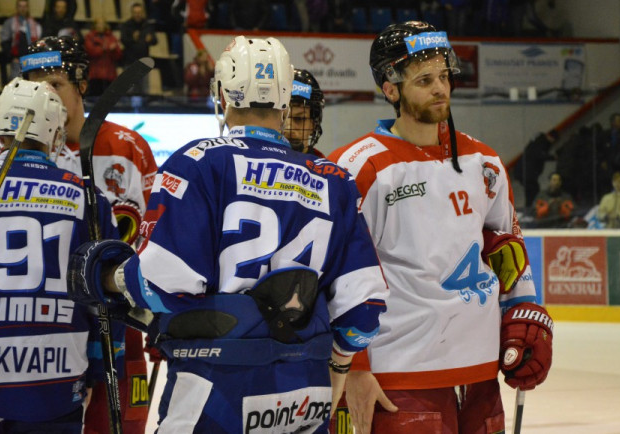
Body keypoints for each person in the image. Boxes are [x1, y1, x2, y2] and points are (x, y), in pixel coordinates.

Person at [66, 35, 389, 433]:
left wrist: (106, 277)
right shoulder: (334, 181)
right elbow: (363, 315)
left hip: (216, 391)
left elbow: (162, 282)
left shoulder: (200, 161)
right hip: (305, 398)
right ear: (286, 96)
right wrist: (337, 368)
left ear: (221, 93)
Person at [328, 21, 553, 433]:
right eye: (425, 79)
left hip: (480, 369)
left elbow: (507, 247)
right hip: (401, 373)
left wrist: (526, 310)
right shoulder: (360, 165)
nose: (440, 88)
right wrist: (355, 367)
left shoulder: (483, 162)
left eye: (444, 76)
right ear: (391, 88)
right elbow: (341, 272)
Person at [21, 34, 158, 434]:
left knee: (121, 427)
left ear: (81, 84)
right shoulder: (13, 154)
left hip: (121, 322)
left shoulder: (127, 147)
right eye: (34, 85)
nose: (44, 95)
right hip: (44, 326)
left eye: (56, 84)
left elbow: (154, 235)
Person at [0, 78, 117, 433]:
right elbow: (104, 295)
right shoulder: (86, 196)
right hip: (58, 370)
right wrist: (101, 368)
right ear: (55, 134)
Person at [284, 68, 326, 156]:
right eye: (282, 118)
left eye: (299, 119)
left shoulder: (325, 169)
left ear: (313, 124)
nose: (288, 128)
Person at [513, 128, 558, 206]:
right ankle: (530, 209)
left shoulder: (537, 141)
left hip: (524, 172)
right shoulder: (542, 142)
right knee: (533, 191)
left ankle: (529, 209)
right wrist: (553, 157)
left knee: (531, 191)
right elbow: (539, 155)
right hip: (528, 173)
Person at [120, 2, 157, 94]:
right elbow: (123, 40)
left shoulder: (147, 25)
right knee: (129, 90)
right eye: (135, 12)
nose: (137, 14)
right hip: (130, 62)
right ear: (132, 13)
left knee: (144, 90)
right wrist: (132, 39)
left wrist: (151, 39)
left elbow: (155, 41)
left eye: (139, 12)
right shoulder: (126, 25)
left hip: (144, 62)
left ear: (142, 13)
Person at [0, 0, 43, 81]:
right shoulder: (10, 23)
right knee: (16, 81)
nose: (22, 9)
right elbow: (4, 42)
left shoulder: (35, 24)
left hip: (32, 59)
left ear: (28, 8)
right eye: (20, 6)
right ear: (17, 8)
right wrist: (12, 57)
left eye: (25, 6)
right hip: (16, 59)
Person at [84, 17, 123, 97]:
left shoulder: (111, 37)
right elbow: (91, 51)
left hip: (109, 74)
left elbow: (118, 55)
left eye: (102, 24)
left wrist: (113, 50)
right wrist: (107, 48)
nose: (100, 26)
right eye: (98, 24)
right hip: (95, 74)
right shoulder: (89, 37)